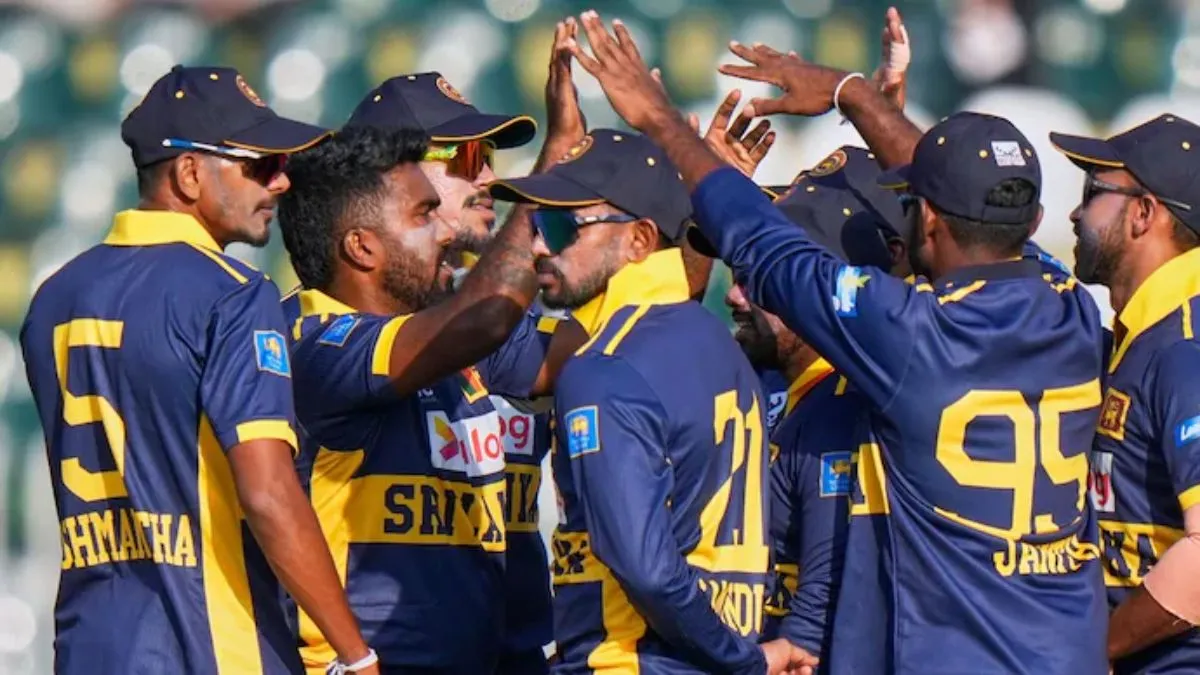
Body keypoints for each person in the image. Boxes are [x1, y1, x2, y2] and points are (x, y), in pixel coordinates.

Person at [562, 12, 1108, 674]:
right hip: (1067, 651)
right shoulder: (1072, 310)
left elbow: (765, 244)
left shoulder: (910, 333)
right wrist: (856, 95)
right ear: (1034, 221)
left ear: (927, 219)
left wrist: (662, 122)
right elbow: (963, 205)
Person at [19, 65, 377, 675]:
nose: (282, 181)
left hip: (87, 650)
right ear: (189, 174)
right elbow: (268, 493)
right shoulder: (233, 294)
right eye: (261, 165)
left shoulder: (54, 297)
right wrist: (356, 653)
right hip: (212, 649)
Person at [487, 128, 813, 675]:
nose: (540, 246)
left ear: (639, 239)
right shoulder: (718, 344)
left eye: (562, 227)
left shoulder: (605, 366)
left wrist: (743, 661)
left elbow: (647, 569)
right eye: (539, 224)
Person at [275, 122, 568, 673]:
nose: (444, 232)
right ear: (362, 247)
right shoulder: (320, 346)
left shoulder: (444, 337)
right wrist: (547, 177)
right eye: (422, 215)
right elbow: (484, 318)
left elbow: (618, 351)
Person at [693, 145, 904, 666]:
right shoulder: (769, 379)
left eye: (761, 280)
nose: (734, 296)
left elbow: (829, 577)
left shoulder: (845, 407)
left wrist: (799, 642)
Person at [1052, 114, 1200, 673]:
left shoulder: (1184, 346)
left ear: (1144, 213)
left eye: (1093, 192)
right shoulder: (1144, 333)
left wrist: (1095, 652)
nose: (1075, 213)